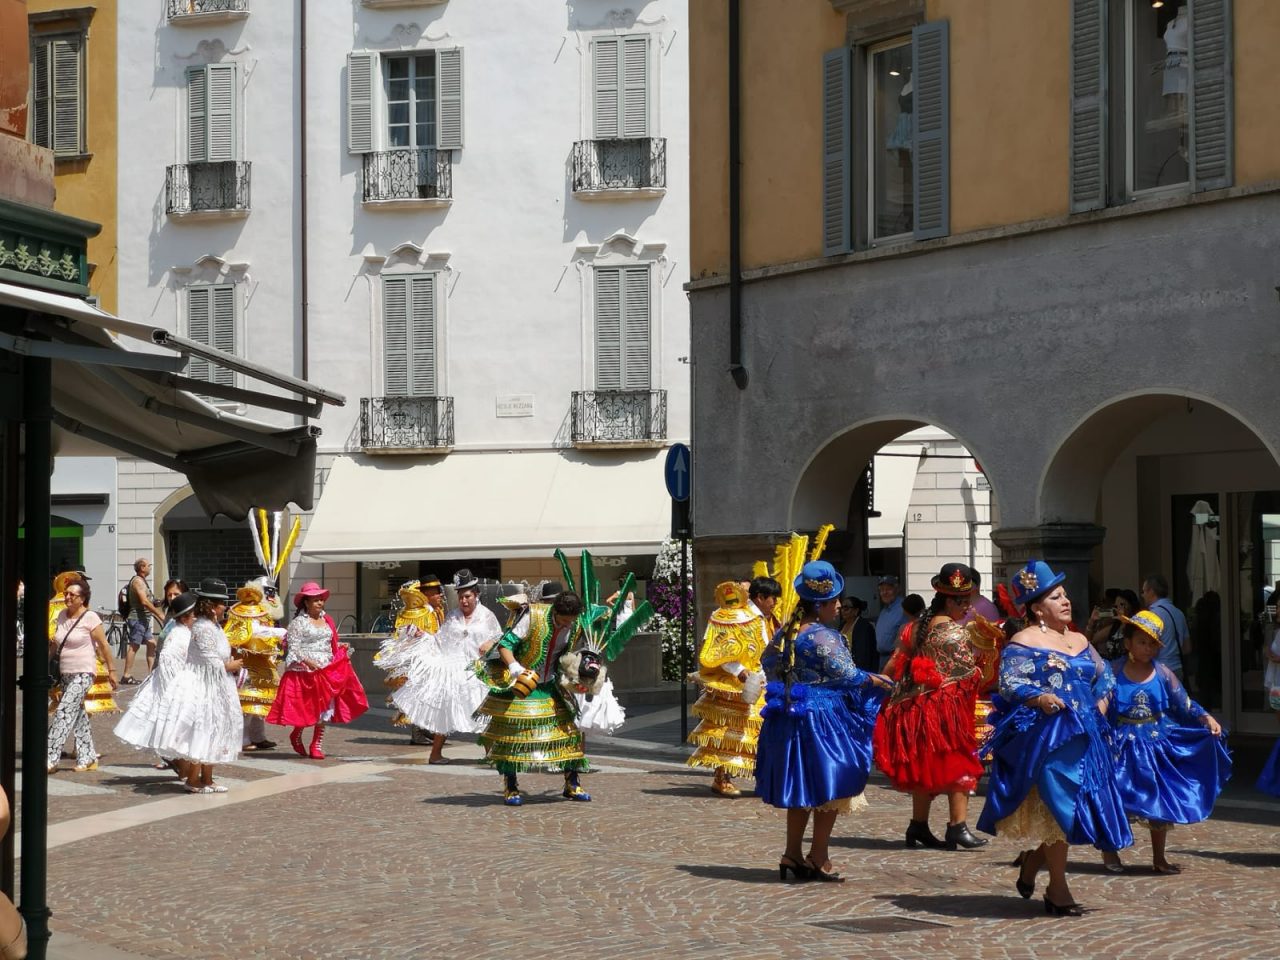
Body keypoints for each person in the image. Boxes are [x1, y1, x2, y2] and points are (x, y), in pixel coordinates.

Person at [977, 561, 1132, 917]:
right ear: (1036, 607)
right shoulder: (1024, 641)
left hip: (1086, 734)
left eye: (1064, 594)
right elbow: (1010, 684)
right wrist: (1040, 698)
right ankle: (1058, 889)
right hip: (1050, 737)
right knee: (1062, 806)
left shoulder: (1079, 639)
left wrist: (1101, 702)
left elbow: (1104, 675)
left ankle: (1033, 863)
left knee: (1071, 808)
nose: (1065, 601)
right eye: (1055, 596)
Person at [754, 560, 892, 882]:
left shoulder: (787, 632)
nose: (840, 606)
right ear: (821, 604)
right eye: (835, 601)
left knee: (803, 786)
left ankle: (792, 853)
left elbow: (768, 660)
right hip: (824, 718)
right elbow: (848, 674)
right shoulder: (824, 637)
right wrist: (879, 681)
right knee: (831, 785)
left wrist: (796, 682)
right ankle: (819, 856)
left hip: (792, 714)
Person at [873, 562, 994, 851]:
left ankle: (918, 826)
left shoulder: (913, 627)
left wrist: (883, 687)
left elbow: (894, 664)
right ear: (946, 599)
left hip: (915, 709)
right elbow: (971, 675)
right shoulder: (955, 634)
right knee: (960, 764)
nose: (966, 606)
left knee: (925, 765)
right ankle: (957, 826)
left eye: (968, 599)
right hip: (945, 713)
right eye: (961, 601)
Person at [1103, 609, 1230, 874]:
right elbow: (1100, 705)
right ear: (1127, 643)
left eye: (1152, 644)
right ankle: (1109, 850)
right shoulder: (1112, 672)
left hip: (1155, 747)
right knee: (1115, 799)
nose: (1147, 648)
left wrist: (1206, 718)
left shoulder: (1163, 674)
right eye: (1141, 642)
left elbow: (1184, 703)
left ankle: (1159, 858)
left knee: (1158, 802)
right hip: (1120, 748)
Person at [476, 587, 589, 805]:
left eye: (571, 621)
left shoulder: (575, 625)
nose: (568, 625)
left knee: (568, 734)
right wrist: (516, 667)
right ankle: (511, 786)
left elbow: (568, 656)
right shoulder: (533, 617)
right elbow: (505, 645)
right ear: (554, 611)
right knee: (513, 738)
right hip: (522, 686)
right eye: (564, 621)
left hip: (550, 685)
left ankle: (572, 784)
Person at [391, 569, 500, 764]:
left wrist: (491, 643)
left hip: (477, 672)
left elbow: (500, 639)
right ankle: (435, 754)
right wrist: (422, 636)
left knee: (483, 714)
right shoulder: (452, 617)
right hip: (453, 671)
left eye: (467, 596)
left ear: (476, 595)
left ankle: (491, 755)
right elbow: (440, 641)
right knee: (445, 712)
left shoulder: (487, 616)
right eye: (460, 597)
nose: (464, 601)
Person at [150, 579, 244, 793]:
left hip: (217, 685)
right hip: (202, 685)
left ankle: (208, 777)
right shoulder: (202, 627)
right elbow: (211, 662)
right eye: (222, 603)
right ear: (212, 605)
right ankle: (193, 778)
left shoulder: (215, 626)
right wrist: (233, 665)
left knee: (215, 729)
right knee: (202, 730)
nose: (225, 607)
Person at [266, 581, 369, 758]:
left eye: (321, 599)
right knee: (307, 707)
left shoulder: (327, 620)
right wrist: (307, 661)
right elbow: (294, 648)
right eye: (315, 600)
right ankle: (297, 733)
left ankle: (316, 744)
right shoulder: (298, 623)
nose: (320, 603)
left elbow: (330, 643)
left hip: (327, 669)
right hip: (306, 670)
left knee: (325, 707)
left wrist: (340, 648)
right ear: (306, 602)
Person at [687, 581, 769, 796]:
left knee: (757, 732)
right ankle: (721, 777)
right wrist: (738, 670)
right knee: (724, 732)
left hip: (756, 679)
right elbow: (714, 648)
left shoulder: (757, 617)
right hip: (729, 683)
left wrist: (760, 675)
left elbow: (763, 647)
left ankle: (761, 777)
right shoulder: (720, 617)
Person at [113, 591, 198, 765]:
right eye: (194, 615)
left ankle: (181, 764)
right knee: (174, 727)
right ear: (185, 617)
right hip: (174, 688)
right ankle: (180, 766)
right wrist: (177, 689)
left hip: (178, 686)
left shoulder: (183, 631)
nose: (197, 618)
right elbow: (167, 661)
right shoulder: (178, 635)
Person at [47, 576, 119, 772]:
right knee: (78, 715)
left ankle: (49, 758)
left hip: (84, 672)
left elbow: (104, 645)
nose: (67, 597)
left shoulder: (91, 618)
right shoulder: (61, 615)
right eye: (66, 594)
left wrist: (112, 670)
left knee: (63, 712)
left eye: (72, 595)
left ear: (82, 598)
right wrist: (46, 666)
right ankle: (87, 758)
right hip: (65, 673)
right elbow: (55, 644)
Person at [375, 577, 446, 742]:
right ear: (426, 594)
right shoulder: (418, 612)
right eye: (436, 593)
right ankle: (418, 733)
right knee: (419, 696)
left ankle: (425, 729)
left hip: (434, 660)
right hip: (420, 662)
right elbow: (405, 635)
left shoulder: (435, 611)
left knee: (432, 695)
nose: (440, 596)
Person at [223, 579, 285, 752]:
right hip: (247, 663)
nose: (272, 597)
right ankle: (242, 739)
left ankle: (259, 737)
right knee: (247, 703)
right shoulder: (242, 612)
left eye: (273, 592)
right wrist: (281, 633)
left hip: (264, 662)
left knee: (262, 701)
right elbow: (254, 632)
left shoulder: (265, 612)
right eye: (268, 592)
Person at [121, 558, 165, 684]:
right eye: (148, 565)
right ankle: (126, 675)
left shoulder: (142, 581)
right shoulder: (138, 582)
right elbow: (144, 602)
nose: (150, 567)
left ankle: (152, 674)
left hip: (143, 620)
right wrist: (159, 614)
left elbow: (148, 600)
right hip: (137, 619)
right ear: (142, 568)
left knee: (152, 644)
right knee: (134, 646)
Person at [1141, 574, 1189, 682]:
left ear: (1151, 592)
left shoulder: (1152, 615)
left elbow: (1148, 649)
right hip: (1177, 669)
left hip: (1159, 671)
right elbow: (1187, 648)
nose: (1142, 595)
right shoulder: (1179, 613)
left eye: (1143, 591)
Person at [1086, 588, 1139, 662]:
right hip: (1113, 667)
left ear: (1131, 606)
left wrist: (1125, 621)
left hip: (1128, 667)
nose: (1119, 609)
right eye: (1116, 606)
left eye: (1122, 605)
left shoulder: (1136, 627)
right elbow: (1091, 640)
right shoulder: (1115, 627)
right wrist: (1092, 621)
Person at [874, 575, 907, 670]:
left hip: (895, 660)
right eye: (882, 589)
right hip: (882, 659)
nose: (884, 592)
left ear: (897, 589)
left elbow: (905, 639)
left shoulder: (903, 608)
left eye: (888, 589)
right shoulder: (884, 610)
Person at [839, 595, 877, 671]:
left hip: (858, 669)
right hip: (844, 666)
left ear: (856, 611)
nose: (843, 610)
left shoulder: (864, 626)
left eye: (846, 608)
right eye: (842, 608)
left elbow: (864, 654)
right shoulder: (842, 625)